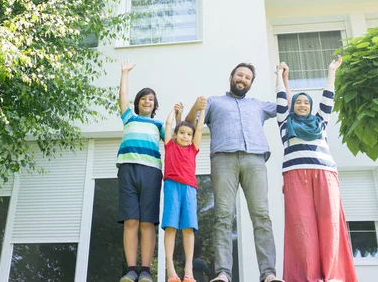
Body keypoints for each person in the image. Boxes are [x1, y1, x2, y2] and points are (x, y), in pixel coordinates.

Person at [185, 63, 284, 282]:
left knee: (262, 216)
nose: (242, 79)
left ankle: (268, 273)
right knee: (223, 216)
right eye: (239, 75)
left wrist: (281, 78)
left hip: (255, 159)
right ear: (231, 77)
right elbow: (190, 123)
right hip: (223, 159)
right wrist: (195, 105)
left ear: (250, 83)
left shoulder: (258, 105)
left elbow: (284, 108)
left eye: (247, 77)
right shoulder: (214, 102)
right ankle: (223, 273)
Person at [275, 56, 358, 282]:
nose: (302, 105)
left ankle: (332, 275)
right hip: (294, 175)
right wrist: (280, 78)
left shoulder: (321, 122)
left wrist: (332, 71)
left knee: (329, 221)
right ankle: (308, 277)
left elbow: (328, 97)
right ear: (293, 106)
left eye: (306, 103)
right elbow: (282, 98)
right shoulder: (285, 121)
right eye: (298, 102)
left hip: (325, 174)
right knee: (302, 225)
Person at [118, 61, 174, 282]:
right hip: (127, 170)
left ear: (155, 104)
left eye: (151, 99)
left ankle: (145, 270)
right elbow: (122, 97)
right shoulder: (128, 118)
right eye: (143, 98)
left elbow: (172, 141)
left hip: (151, 172)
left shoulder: (159, 125)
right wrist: (124, 74)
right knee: (131, 220)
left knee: (147, 222)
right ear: (138, 103)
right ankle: (131, 269)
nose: (147, 101)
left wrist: (176, 117)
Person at [162, 101, 206, 282]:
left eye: (189, 134)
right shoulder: (169, 146)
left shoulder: (193, 149)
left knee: (188, 227)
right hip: (172, 186)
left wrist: (202, 110)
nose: (186, 136)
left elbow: (200, 129)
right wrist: (173, 110)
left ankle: (189, 268)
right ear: (175, 135)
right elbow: (168, 124)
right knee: (171, 226)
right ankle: (170, 267)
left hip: (189, 188)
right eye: (182, 133)